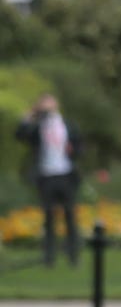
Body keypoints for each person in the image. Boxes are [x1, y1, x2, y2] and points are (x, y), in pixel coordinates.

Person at [18, 91, 81, 265]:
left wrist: (73, 150)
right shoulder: (38, 127)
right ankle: (49, 257)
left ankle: (73, 255)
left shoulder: (67, 124)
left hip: (66, 174)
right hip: (46, 175)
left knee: (69, 215)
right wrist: (29, 116)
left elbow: (79, 145)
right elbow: (20, 135)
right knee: (49, 217)